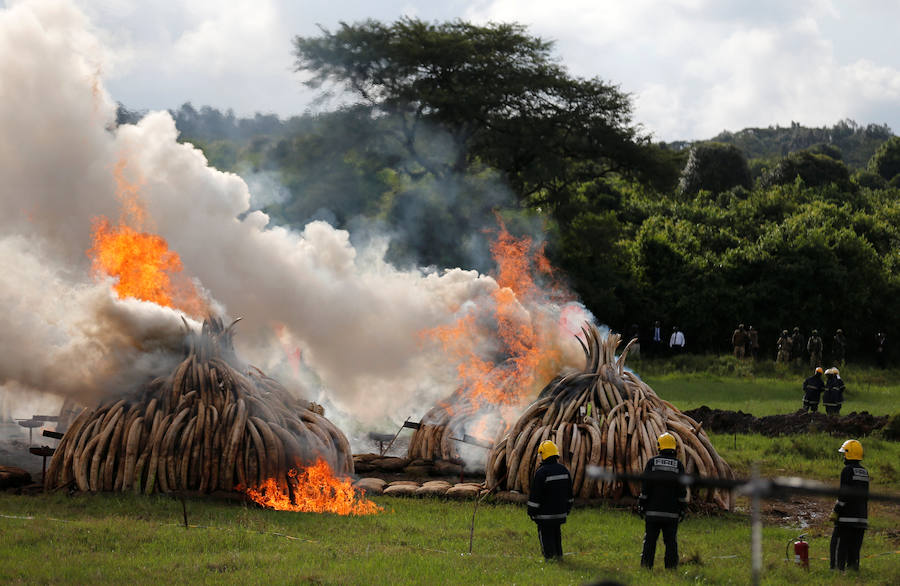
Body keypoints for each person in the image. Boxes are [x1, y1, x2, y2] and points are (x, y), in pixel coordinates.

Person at [638, 432, 687, 570]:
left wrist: (641, 505)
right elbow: (682, 491)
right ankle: (671, 568)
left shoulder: (652, 463)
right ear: (675, 447)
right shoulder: (679, 466)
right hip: (671, 514)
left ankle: (646, 567)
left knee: (650, 541)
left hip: (652, 513)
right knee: (671, 542)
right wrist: (682, 508)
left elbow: (645, 487)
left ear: (659, 446)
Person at [527, 440, 573, 560]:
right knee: (556, 534)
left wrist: (531, 512)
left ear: (543, 455)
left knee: (545, 535)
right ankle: (559, 556)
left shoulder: (541, 473)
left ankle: (549, 558)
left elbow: (535, 496)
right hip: (561, 514)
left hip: (544, 516)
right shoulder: (564, 470)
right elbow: (570, 494)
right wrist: (567, 509)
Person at [829, 439, 869, 571]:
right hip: (861, 518)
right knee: (854, 549)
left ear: (848, 454)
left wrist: (836, 510)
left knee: (838, 545)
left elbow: (843, 495)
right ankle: (853, 571)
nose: (843, 457)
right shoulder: (864, 473)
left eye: (844, 454)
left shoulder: (847, 470)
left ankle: (836, 571)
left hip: (846, 519)